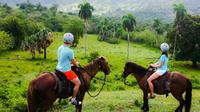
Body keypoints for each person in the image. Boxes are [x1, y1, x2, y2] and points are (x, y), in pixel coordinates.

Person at [56, 33, 81, 105]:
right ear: (71, 41)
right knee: (78, 83)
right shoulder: (70, 51)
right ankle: (73, 99)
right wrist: (77, 63)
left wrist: (70, 63)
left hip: (58, 68)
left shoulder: (60, 47)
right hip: (66, 70)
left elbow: (61, 59)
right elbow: (74, 62)